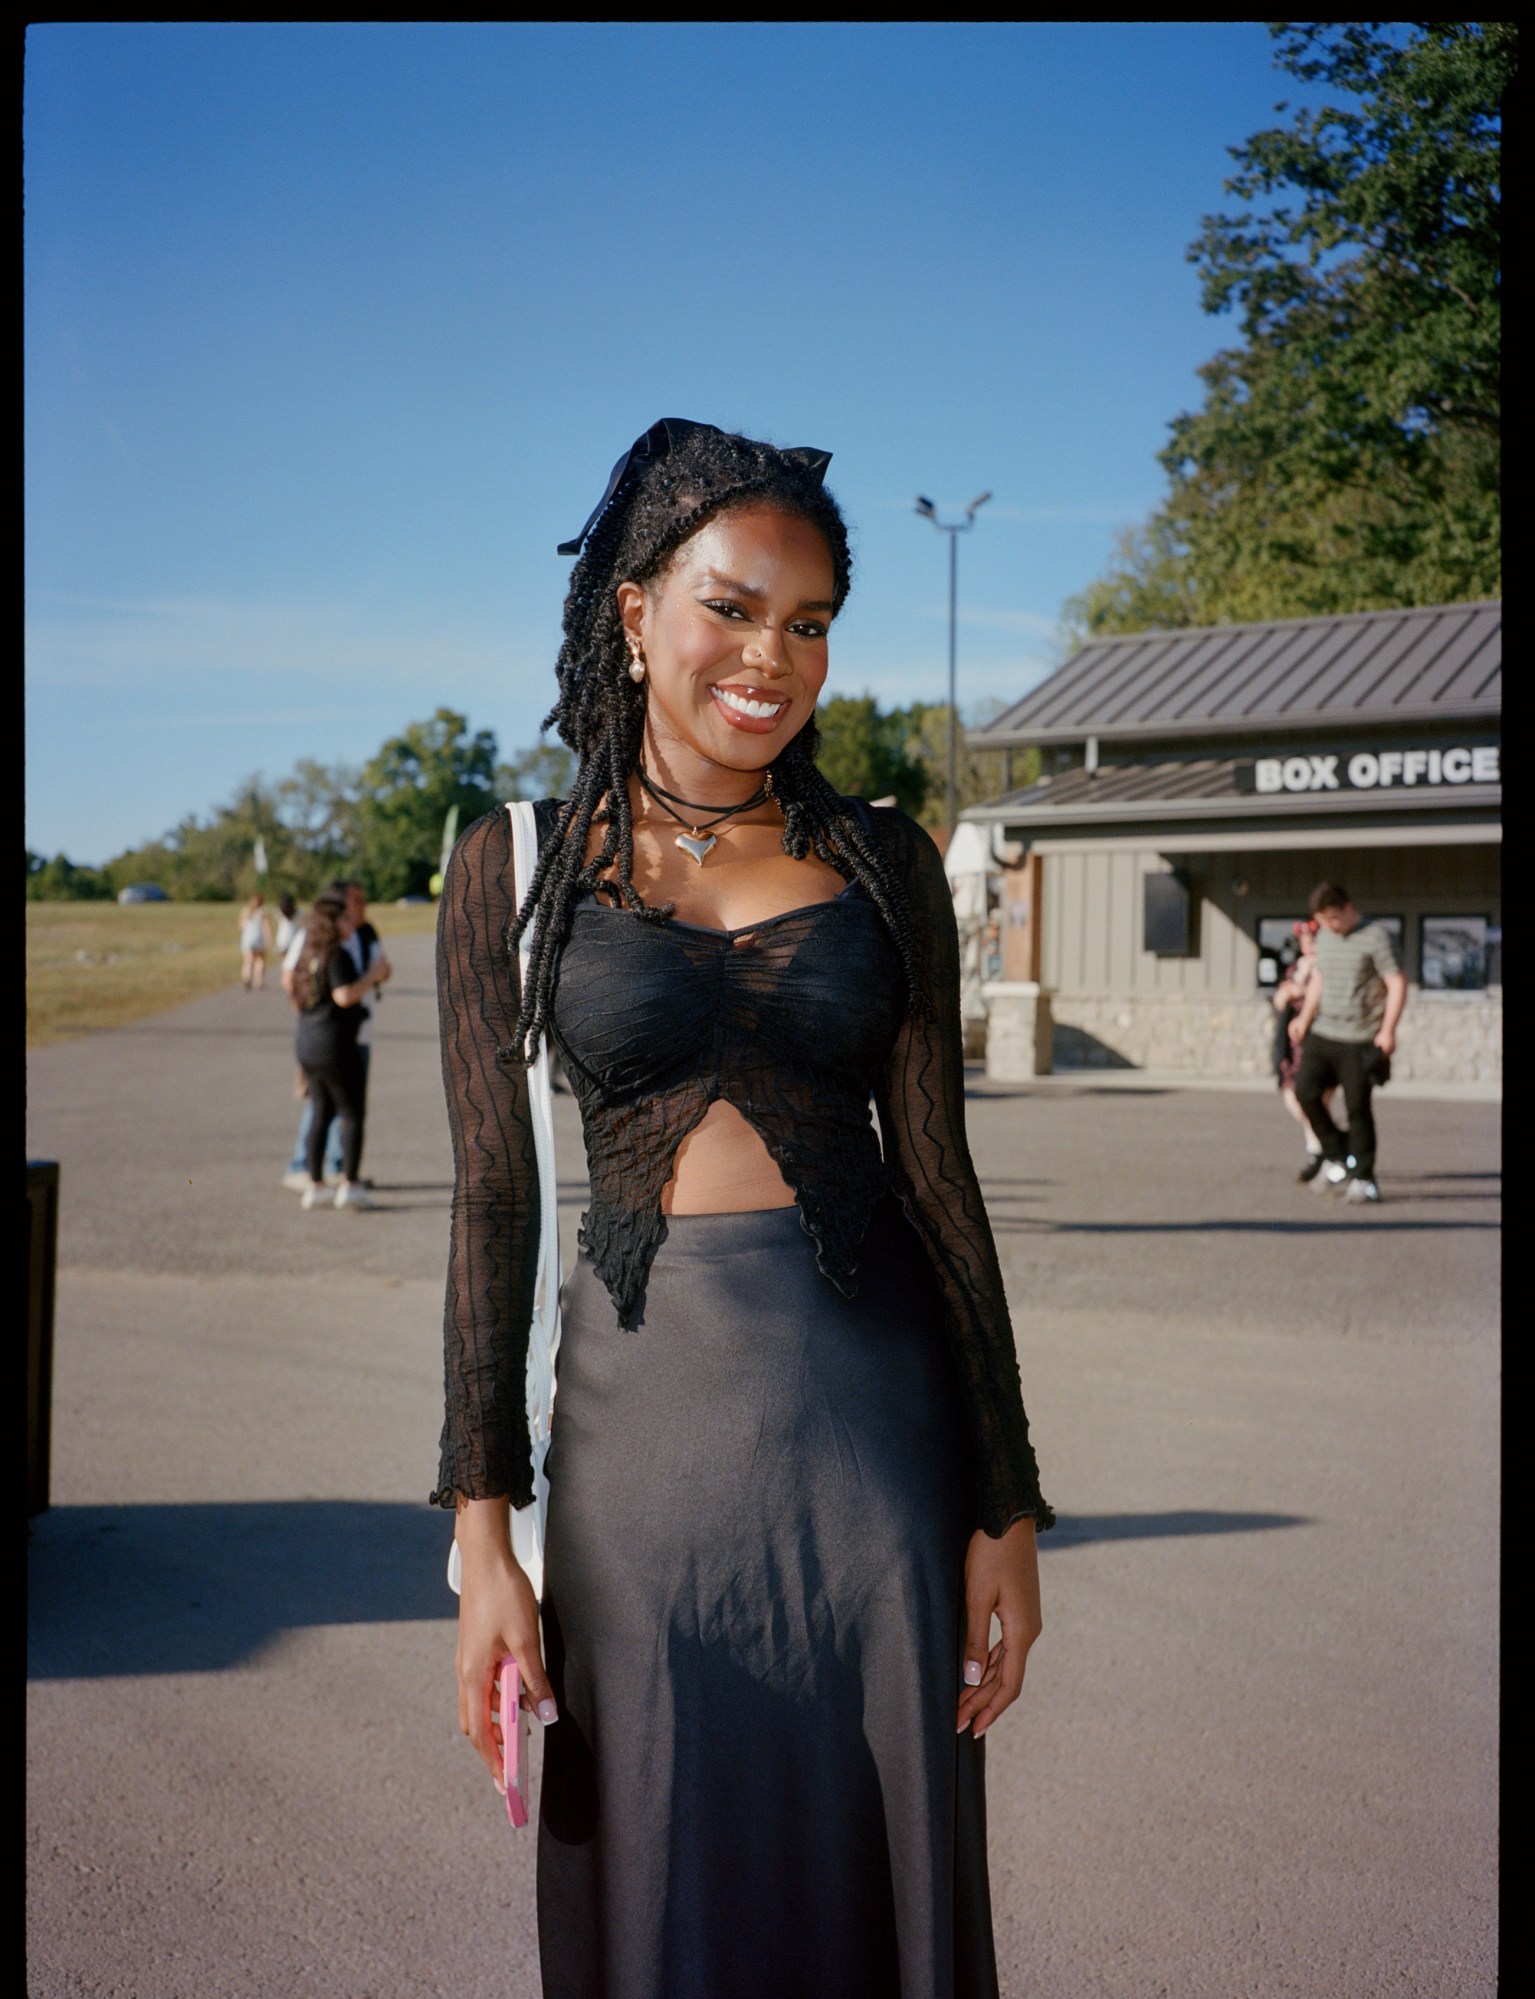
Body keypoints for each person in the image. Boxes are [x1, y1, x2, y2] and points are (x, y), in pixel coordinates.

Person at [433, 419, 1052, 1996]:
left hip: (872, 1442)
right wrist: (483, 1543)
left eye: (809, 620)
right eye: (730, 605)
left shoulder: (884, 860)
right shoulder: (513, 864)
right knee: (661, 1877)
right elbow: (492, 1204)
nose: (770, 655)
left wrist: (1005, 1501)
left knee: (877, 1868)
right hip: (638, 1453)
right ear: (633, 611)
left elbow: (938, 1180)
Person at [1287, 882, 1408, 1203]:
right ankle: (1339, 1153)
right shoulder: (1325, 938)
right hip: (1324, 1032)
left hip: (1360, 1038)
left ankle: (1365, 1179)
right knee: (1305, 1093)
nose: (1328, 926)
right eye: (1322, 921)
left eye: (1333, 918)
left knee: (1358, 1108)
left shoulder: (1376, 937)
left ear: (1348, 908)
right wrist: (1304, 1018)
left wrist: (1388, 1030)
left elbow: (1396, 982)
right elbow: (1320, 979)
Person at [280, 879, 391, 1190]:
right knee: (337, 1109)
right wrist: (311, 1019)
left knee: (329, 1108)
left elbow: (382, 968)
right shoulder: (324, 945)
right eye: (355, 902)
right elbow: (335, 992)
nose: (360, 907)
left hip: (348, 1034)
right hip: (333, 1039)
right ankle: (310, 1169)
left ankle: (335, 1170)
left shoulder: (364, 933)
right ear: (338, 908)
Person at [1272, 919, 1339, 1182]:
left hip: (1320, 1041)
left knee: (1317, 1101)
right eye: (1305, 941)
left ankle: (1321, 1153)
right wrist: (1292, 989)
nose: (1309, 946)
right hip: (1293, 1046)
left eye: (1313, 940)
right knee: (1296, 1100)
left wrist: (1303, 992)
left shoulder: (1328, 968)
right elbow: (1279, 1000)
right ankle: (1329, 1145)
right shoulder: (1296, 968)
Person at [238, 893, 271, 990]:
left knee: (247, 960)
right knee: (260, 960)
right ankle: (259, 980)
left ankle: (247, 977)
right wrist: (269, 939)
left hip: (247, 939)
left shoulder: (245, 911)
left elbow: (240, 926)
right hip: (259, 939)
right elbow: (266, 927)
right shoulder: (262, 912)